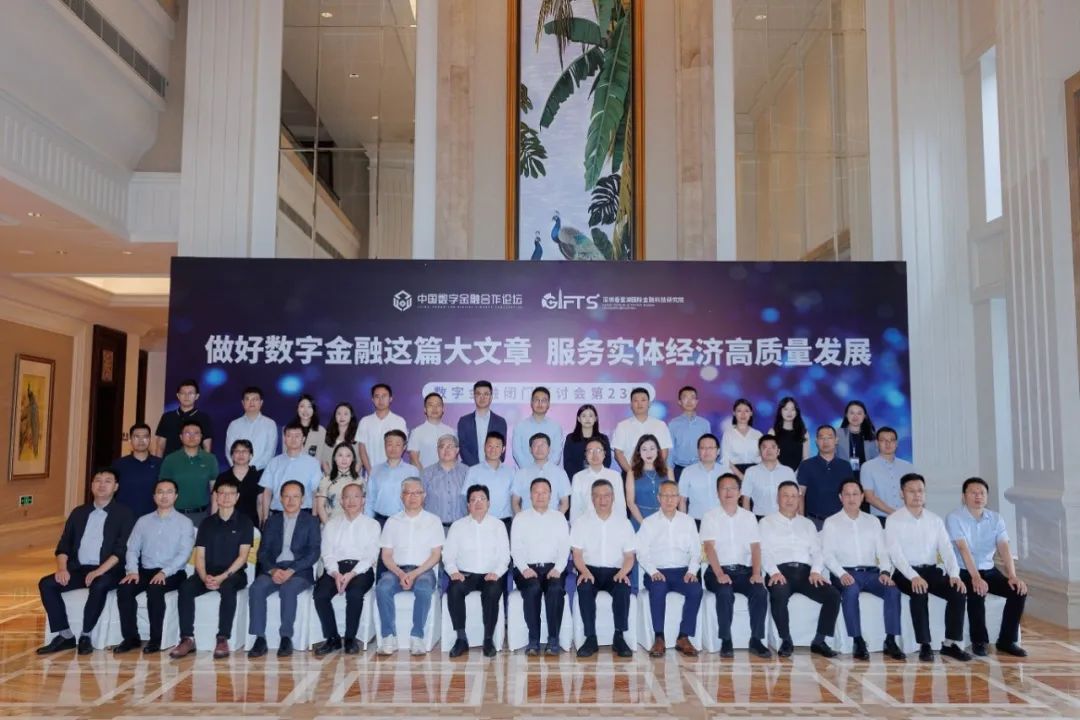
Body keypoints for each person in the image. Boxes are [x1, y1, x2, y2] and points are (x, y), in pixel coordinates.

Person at [37, 468, 134, 655]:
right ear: (91, 485)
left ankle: (85, 635)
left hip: (109, 570)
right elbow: (64, 545)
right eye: (98, 480)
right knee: (47, 584)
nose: (102, 485)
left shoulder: (125, 514)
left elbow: (121, 550)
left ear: (116, 487)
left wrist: (98, 572)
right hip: (79, 569)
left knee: (100, 584)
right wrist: (62, 568)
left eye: (107, 481)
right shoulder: (79, 513)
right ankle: (65, 635)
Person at [886, 472, 970, 662]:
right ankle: (925, 644)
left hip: (931, 570)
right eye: (911, 491)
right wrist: (913, 576)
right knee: (919, 591)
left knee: (957, 591)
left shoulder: (935, 520)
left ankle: (950, 643)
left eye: (920, 491)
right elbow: (896, 555)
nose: (917, 495)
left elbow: (947, 550)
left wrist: (954, 575)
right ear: (902, 493)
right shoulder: (893, 520)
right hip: (905, 572)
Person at [170, 476, 254, 659]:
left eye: (231, 493)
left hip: (233, 574)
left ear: (237, 497)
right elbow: (199, 555)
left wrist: (222, 577)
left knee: (228, 588)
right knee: (185, 588)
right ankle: (187, 638)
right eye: (222, 493)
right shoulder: (206, 523)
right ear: (216, 496)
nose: (226, 497)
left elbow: (242, 557)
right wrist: (204, 576)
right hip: (206, 573)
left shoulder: (245, 522)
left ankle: (222, 638)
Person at [822, 479, 905, 661]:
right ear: (840, 497)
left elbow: (882, 552)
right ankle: (857, 640)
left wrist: (885, 572)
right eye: (847, 494)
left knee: (893, 590)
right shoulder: (831, 522)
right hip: (845, 572)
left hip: (871, 573)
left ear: (862, 497)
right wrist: (841, 574)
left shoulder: (873, 521)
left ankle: (890, 640)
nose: (851, 498)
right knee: (851, 590)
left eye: (855, 494)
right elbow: (827, 555)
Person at [947, 477, 1028, 657]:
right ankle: (979, 641)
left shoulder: (996, 518)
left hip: (989, 570)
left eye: (982, 493)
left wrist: (1012, 576)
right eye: (973, 493)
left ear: (987, 496)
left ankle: (1006, 640)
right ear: (964, 496)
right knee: (977, 591)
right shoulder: (955, 517)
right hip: (964, 570)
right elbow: (963, 549)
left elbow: (1004, 547)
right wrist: (975, 577)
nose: (978, 496)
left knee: (1018, 591)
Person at [759, 481, 841, 658]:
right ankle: (786, 640)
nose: (789, 500)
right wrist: (773, 572)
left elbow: (817, 551)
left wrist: (816, 571)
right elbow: (763, 551)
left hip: (806, 573)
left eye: (793, 496)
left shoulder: (807, 524)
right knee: (779, 592)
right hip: (780, 571)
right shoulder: (766, 522)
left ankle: (819, 641)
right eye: (785, 496)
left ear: (799, 499)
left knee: (833, 595)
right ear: (777, 498)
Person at [114, 478, 194, 654]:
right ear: (154, 496)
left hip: (173, 572)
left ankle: (156, 639)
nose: (164, 496)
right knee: (125, 588)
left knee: (155, 589)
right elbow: (132, 549)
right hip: (145, 570)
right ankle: (131, 638)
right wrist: (132, 571)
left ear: (176, 496)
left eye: (169, 492)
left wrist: (165, 572)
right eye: (160, 492)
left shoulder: (184, 523)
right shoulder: (143, 521)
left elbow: (184, 554)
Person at [247, 481, 321, 658]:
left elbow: (314, 552)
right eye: (286, 496)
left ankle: (286, 637)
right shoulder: (272, 521)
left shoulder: (311, 522)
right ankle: (259, 638)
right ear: (280, 499)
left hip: (299, 571)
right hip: (274, 568)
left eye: (295, 496)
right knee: (256, 588)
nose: (290, 500)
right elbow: (263, 552)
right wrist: (272, 570)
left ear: (302, 499)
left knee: (288, 589)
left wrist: (292, 570)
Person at [700, 473, 771, 658]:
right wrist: (719, 574)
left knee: (760, 591)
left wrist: (756, 573)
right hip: (717, 571)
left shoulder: (749, 517)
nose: (728, 492)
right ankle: (726, 640)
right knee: (724, 592)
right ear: (717, 493)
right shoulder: (709, 516)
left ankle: (756, 640)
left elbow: (755, 547)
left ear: (739, 492)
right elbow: (709, 548)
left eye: (732, 488)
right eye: (724, 488)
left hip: (744, 571)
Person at [375, 478, 444, 655]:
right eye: (408, 493)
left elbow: (436, 555)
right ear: (401, 496)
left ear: (424, 496)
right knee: (383, 588)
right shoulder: (392, 521)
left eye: (417, 493)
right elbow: (386, 555)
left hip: (423, 570)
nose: (412, 497)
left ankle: (417, 636)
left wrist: (413, 574)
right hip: (396, 570)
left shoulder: (433, 521)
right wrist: (400, 573)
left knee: (423, 588)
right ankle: (389, 636)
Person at [312, 482, 380, 656]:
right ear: (341, 501)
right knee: (320, 594)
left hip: (361, 570)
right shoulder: (331, 525)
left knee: (355, 594)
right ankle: (332, 638)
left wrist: (351, 574)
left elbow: (371, 556)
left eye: (356, 496)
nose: (351, 501)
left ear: (363, 500)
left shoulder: (372, 525)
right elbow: (327, 554)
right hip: (336, 568)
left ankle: (350, 638)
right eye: (347, 497)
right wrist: (336, 573)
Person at [571, 479, 637, 658]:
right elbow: (577, 554)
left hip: (616, 571)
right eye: (598, 496)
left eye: (606, 495)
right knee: (584, 588)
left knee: (623, 588)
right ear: (592, 498)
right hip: (589, 570)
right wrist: (584, 571)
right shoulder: (581, 522)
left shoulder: (624, 523)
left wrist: (623, 572)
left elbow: (629, 556)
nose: (602, 500)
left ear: (613, 497)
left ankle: (619, 637)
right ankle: (590, 638)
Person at [636, 480, 702, 658]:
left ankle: (683, 636)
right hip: (657, 571)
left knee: (695, 589)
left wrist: (692, 571)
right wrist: (653, 571)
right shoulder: (648, 523)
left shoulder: (688, 521)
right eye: (665, 495)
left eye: (673, 495)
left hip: (682, 572)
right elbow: (642, 552)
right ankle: (659, 638)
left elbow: (696, 551)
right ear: (658, 498)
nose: (669, 499)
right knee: (658, 588)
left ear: (679, 498)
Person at [444, 484, 510, 658]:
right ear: (468, 505)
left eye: (482, 499)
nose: (478, 503)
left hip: (490, 574)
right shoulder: (457, 526)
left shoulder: (498, 526)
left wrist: (497, 572)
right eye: (473, 500)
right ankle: (461, 639)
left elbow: (505, 557)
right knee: (454, 588)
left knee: (493, 590)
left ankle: (488, 639)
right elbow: (448, 556)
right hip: (465, 575)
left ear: (488, 503)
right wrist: (453, 572)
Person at [511, 478, 571, 655]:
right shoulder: (520, 518)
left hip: (553, 568)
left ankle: (553, 640)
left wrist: (558, 568)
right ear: (530, 495)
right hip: (526, 569)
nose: (540, 496)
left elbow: (564, 548)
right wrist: (524, 568)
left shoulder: (559, 518)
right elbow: (516, 548)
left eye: (544, 492)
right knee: (532, 588)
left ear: (550, 495)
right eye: (536, 492)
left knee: (555, 589)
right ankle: (533, 641)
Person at [259, 421, 323, 525]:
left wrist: (314, 517)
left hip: (304, 514)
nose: (293, 439)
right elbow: (267, 491)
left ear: (303, 439)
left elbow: (315, 492)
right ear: (284, 438)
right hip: (278, 513)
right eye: (289, 436)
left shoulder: (313, 463)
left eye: (297, 436)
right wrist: (265, 517)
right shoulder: (274, 462)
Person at [159, 419, 219, 527]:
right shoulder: (170, 459)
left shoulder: (210, 459)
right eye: (187, 433)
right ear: (181, 437)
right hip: (175, 515)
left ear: (201, 436)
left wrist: (214, 517)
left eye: (196, 433)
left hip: (201, 516)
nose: (192, 437)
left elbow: (214, 491)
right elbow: (162, 491)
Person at [796, 425, 853, 529]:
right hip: (814, 522)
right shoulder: (806, 465)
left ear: (836, 440)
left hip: (840, 521)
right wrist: (801, 521)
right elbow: (800, 495)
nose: (825, 441)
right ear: (816, 441)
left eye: (829, 437)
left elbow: (850, 495)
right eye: (821, 438)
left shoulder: (845, 466)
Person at [612, 387, 673, 473]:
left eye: (643, 400)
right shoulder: (622, 426)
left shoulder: (660, 425)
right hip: (630, 472)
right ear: (631, 405)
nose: (639, 403)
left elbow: (664, 451)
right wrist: (630, 473)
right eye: (635, 400)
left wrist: (654, 471)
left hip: (655, 473)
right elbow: (618, 453)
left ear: (649, 404)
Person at [861, 427, 915, 523]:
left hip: (905, 517)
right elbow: (869, 497)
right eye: (883, 440)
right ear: (877, 443)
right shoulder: (868, 467)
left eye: (892, 440)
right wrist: (894, 513)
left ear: (896, 443)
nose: (888, 444)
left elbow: (913, 492)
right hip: (880, 519)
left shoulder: (908, 467)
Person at [464, 431, 515, 532]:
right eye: (490, 446)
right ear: (484, 447)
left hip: (505, 523)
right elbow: (467, 499)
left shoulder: (511, 472)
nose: (493, 450)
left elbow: (514, 499)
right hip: (481, 522)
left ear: (503, 449)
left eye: (497, 446)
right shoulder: (473, 471)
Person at [365, 430, 416, 525]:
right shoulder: (375, 470)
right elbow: (370, 499)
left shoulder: (412, 471)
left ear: (404, 447)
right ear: (385, 446)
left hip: (404, 521)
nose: (393, 448)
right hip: (379, 520)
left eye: (398, 445)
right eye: (389, 444)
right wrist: (368, 522)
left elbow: (416, 499)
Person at [511, 433, 571, 514]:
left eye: (543, 445)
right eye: (536, 445)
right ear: (530, 449)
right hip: (527, 519)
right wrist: (522, 519)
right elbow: (515, 503)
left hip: (552, 520)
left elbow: (565, 504)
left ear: (549, 449)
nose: (539, 448)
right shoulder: (521, 473)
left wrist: (555, 519)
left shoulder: (560, 473)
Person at [570, 437, 625, 524]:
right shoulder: (578, 477)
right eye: (590, 451)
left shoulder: (615, 476)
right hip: (587, 526)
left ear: (604, 454)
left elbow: (620, 506)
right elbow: (575, 509)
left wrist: (621, 526)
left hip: (611, 525)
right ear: (585, 455)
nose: (595, 454)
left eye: (598, 450)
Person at [153, 378, 213, 457]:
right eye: (183, 393)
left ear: (197, 396)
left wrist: (206, 462)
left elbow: (207, 446)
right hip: (171, 462)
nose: (186, 396)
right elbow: (160, 446)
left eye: (190, 393)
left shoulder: (204, 418)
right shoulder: (167, 417)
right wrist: (158, 463)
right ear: (178, 395)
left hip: (195, 462)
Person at [112, 422, 161, 517]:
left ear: (150, 440)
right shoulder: (118, 465)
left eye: (145, 437)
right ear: (130, 440)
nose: (141, 440)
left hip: (153, 517)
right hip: (124, 517)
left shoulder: (160, 464)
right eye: (136, 437)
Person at [740, 435, 796, 519]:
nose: (769, 450)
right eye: (765, 447)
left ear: (778, 451)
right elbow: (746, 499)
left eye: (773, 447)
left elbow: (795, 497)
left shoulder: (788, 472)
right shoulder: (751, 472)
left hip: (784, 517)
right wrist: (748, 521)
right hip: (759, 518)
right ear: (759, 452)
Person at [625, 434, 674, 530]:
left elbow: (673, 498)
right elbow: (630, 502)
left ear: (658, 451)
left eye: (652, 448)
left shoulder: (668, 471)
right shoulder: (632, 473)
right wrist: (644, 524)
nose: (648, 453)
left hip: (663, 519)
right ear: (639, 452)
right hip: (639, 520)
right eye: (644, 449)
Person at [357, 383, 408, 475]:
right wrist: (370, 471)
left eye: (384, 396)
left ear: (390, 398)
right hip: (371, 473)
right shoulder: (365, 421)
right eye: (377, 396)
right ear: (372, 400)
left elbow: (401, 446)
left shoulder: (399, 421)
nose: (380, 400)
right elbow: (362, 449)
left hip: (394, 473)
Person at [224, 385, 278, 470]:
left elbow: (270, 452)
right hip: (237, 471)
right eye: (247, 399)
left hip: (260, 472)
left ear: (261, 402)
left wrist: (252, 469)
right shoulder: (234, 425)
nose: (251, 402)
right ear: (243, 403)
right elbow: (229, 451)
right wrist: (238, 468)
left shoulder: (270, 424)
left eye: (255, 399)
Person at [457, 380, 507, 467]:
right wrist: (477, 468)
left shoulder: (500, 422)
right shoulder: (464, 421)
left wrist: (490, 467)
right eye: (478, 394)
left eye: (486, 394)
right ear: (474, 396)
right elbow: (462, 447)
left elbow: (502, 448)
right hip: (469, 469)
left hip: (493, 469)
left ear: (491, 397)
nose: (482, 398)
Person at [512, 387, 565, 468]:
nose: (540, 403)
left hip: (549, 473)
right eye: (537, 400)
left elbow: (556, 454)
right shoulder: (520, 426)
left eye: (543, 400)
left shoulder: (556, 427)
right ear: (531, 402)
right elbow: (517, 452)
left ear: (548, 404)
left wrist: (545, 470)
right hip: (526, 472)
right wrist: (529, 470)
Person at [215, 439, 263, 530]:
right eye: (237, 451)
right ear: (232, 456)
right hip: (226, 523)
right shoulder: (223, 477)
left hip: (251, 524)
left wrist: (261, 525)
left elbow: (260, 503)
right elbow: (215, 502)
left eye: (244, 451)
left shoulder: (258, 477)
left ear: (251, 455)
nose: (241, 454)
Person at [676, 433, 723, 524]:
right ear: (698, 451)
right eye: (703, 448)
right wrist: (683, 524)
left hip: (721, 521)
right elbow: (682, 500)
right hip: (696, 521)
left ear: (718, 451)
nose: (707, 451)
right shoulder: (688, 471)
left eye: (710, 448)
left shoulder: (726, 471)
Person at [667, 386, 711, 480]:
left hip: (700, 468)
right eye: (685, 397)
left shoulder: (705, 424)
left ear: (697, 401)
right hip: (679, 469)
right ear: (679, 402)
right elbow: (670, 451)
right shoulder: (673, 424)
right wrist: (670, 476)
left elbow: (709, 448)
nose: (689, 401)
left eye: (692, 397)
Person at [315, 442, 364, 524]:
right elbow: (320, 507)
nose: (344, 459)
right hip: (330, 523)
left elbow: (362, 506)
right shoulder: (326, 480)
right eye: (340, 455)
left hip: (354, 525)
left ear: (353, 459)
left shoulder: (359, 480)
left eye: (348, 456)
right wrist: (329, 526)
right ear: (334, 458)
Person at [562, 404, 612, 479]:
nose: (587, 419)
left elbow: (607, 460)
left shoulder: (603, 438)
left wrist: (596, 476)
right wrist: (578, 478)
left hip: (598, 479)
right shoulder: (571, 438)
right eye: (584, 416)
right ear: (579, 419)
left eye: (591, 416)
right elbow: (568, 462)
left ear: (595, 418)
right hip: (577, 479)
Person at [408, 393, 456, 469]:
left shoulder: (451, 431)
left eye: (438, 405)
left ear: (443, 409)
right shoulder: (416, 432)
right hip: (424, 475)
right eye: (430, 405)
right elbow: (414, 459)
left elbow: (454, 458)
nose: (434, 408)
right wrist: (424, 475)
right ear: (425, 409)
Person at [720, 398, 762, 480]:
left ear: (751, 413)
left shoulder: (758, 434)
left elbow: (762, 458)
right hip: (734, 474)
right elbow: (725, 459)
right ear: (734, 413)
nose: (743, 414)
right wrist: (741, 476)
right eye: (739, 411)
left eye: (746, 411)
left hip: (756, 474)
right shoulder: (728, 434)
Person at [835, 400, 878, 479]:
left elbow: (876, 460)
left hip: (866, 479)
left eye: (859, 413)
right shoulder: (837, 434)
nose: (855, 416)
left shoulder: (872, 436)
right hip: (843, 478)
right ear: (846, 415)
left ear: (864, 416)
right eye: (852, 413)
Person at [768, 396, 809, 472]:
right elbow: (771, 456)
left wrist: (798, 472)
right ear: (780, 411)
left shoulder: (803, 432)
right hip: (778, 472)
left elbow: (805, 457)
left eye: (792, 409)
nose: (789, 412)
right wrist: (784, 472)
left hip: (798, 474)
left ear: (796, 412)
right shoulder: (773, 432)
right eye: (786, 409)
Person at [318, 402, 359, 474]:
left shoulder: (357, 437)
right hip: (331, 477)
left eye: (345, 414)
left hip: (352, 478)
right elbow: (324, 461)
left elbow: (360, 461)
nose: (342, 417)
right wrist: (331, 478)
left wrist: (351, 478)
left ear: (351, 416)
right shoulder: (328, 436)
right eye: (339, 413)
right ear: (335, 416)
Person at [286, 394, 325, 459]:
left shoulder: (321, 431)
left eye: (309, 407)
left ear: (313, 410)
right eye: (302, 406)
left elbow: (319, 457)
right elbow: (285, 455)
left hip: (312, 465)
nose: (305, 410)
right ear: (297, 409)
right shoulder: (287, 429)